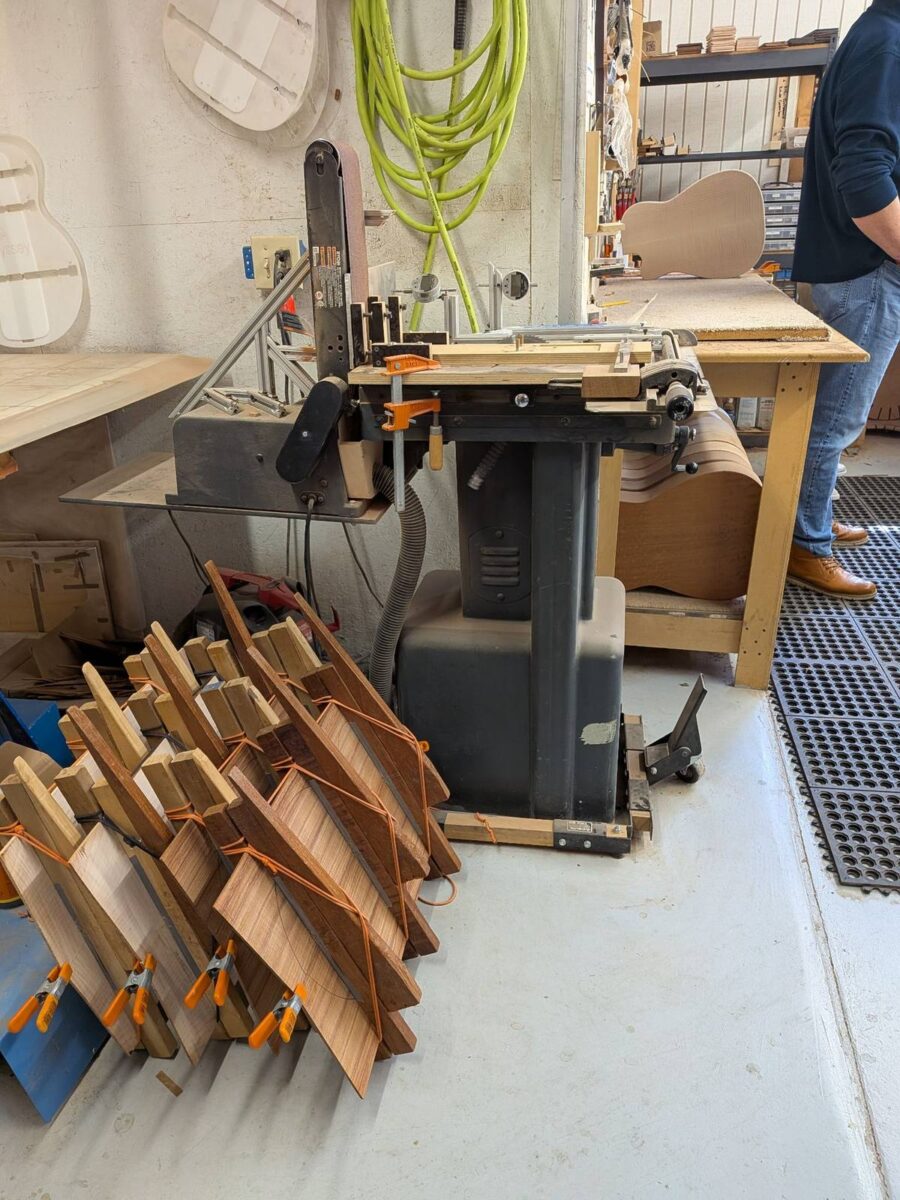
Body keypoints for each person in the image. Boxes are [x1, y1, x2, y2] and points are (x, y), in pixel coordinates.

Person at [789, 0, 900, 599]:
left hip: (855, 268)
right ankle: (805, 545)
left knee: (828, 415)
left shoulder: (873, 35)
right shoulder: (887, 45)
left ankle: (810, 517)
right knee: (836, 420)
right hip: (867, 269)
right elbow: (864, 177)